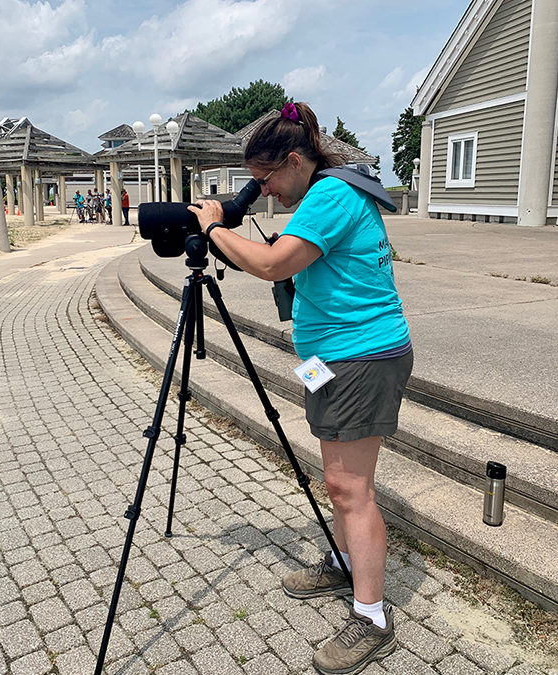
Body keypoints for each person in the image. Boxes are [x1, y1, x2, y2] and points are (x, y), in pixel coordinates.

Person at [188, 102, 412, 675]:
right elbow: (283, 265)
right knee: (336, 479)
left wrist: (214, 228)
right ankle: (342, 565)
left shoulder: (333, 195)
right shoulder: (319, 194)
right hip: (327, 358)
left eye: (265, 180)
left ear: (294, 160)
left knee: (348, 486)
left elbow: (272, 266)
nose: (262, 192)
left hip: (362, 355)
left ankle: (372, 617)